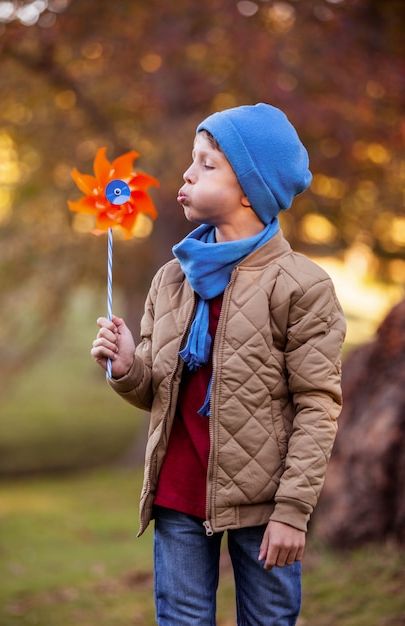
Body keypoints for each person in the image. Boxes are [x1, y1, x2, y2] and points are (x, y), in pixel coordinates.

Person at [91, 103, 346, 625]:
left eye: (208, 164)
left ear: (251, 190)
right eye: (192, 160)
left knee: (269, 620)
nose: (187, 173)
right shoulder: (172, 279)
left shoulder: (299, 284)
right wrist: (126, 367)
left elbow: (318, 405)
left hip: (265, 503)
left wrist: (293, 513)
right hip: (179, 493)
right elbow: (156, 391)